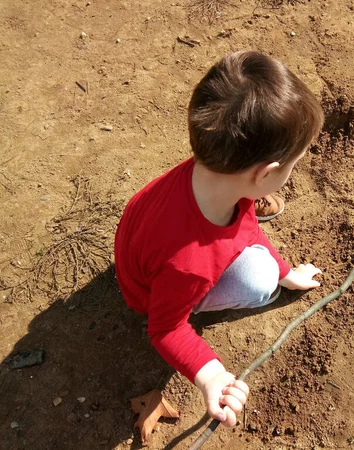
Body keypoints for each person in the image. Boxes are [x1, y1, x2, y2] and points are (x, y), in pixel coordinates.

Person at [114, 50, 324, 428]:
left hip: (143, 250)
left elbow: (245, 226)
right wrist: (210, 375)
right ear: (266, 174)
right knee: (258, 280)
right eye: (295, 164)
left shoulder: (209, 175)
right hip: (155, 291)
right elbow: (164, 328)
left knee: (265, 262)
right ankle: (234, 296)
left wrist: (286, 272)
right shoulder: (190, 266)